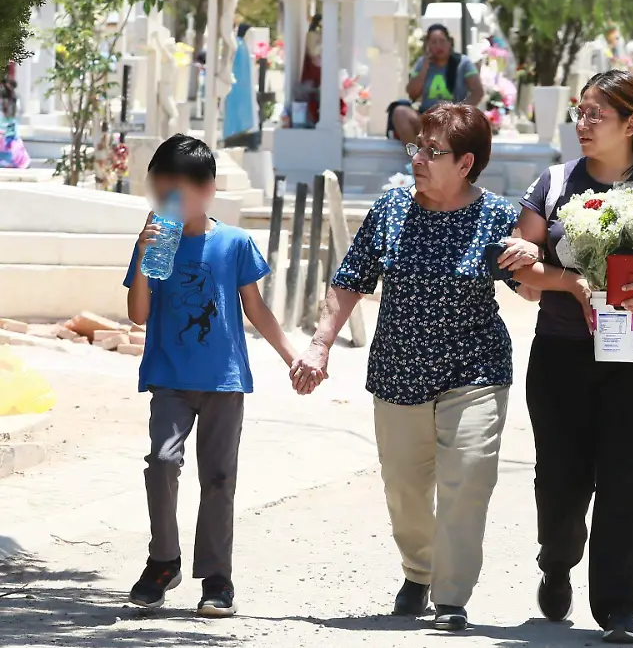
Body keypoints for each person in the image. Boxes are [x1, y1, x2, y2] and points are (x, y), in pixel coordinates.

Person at [290, 103, 533, 632]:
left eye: (432, 151)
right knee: (404, 488)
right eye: (417, 147)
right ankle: (419, 571)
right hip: (399, 369)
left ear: (466, 163)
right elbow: (351, 279)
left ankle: (451, 596)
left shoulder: (496, 216)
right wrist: (320, 344)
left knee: (469, 476)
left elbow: (531, 290)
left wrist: (533, 257)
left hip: (475, 368)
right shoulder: (392, 209)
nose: (418, 158)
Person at [502, 69, 633, 645]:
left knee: (629, 478)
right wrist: (570, 283)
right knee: (560, 480)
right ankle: (557, 560)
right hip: (563, 353)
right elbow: (521, 267)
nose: (584, 124)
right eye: (581, 112)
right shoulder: (554, 182)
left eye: (597, 114)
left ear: (632, 122)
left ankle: (621, 609)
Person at [124, 134, 296, 616]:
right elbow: (138, 314)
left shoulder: (234, 243)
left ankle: (217, 577)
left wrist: (293, 357)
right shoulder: (154, 244)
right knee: (162, 462)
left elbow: (256, 309)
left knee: (219, 479)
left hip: (224, 381)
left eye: (177, 191)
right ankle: (163, 561)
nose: (167, 201)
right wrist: (142, 257)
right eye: (160, 190)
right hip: (169, 379)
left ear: (208, 190)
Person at [388, 24, 485, 146]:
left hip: (452, 120)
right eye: (433, 42)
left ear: (449, 43)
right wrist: (424, 69)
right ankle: (416, 155)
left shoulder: (463, 63)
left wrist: (458, 112)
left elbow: (478, 92)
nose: (438, 46)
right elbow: (412, 94)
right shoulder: (422, 63)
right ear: (428, 45)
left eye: (442, 41)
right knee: (400, 112)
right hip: (427, 118)